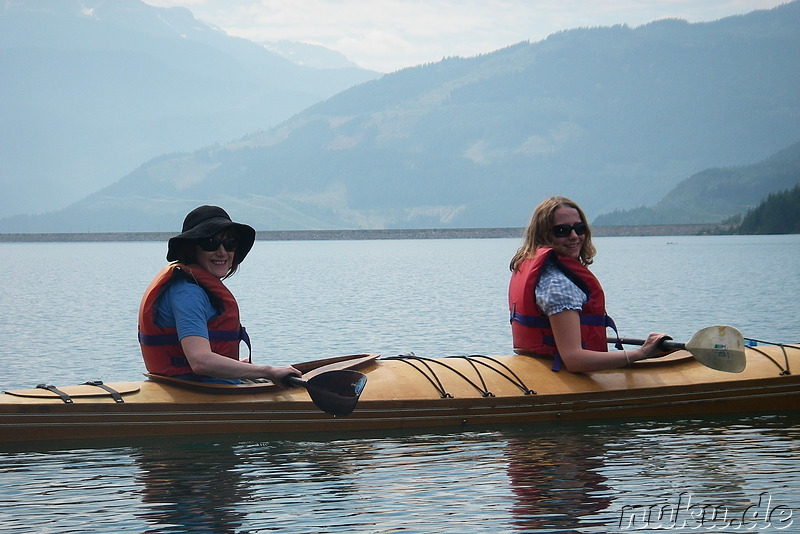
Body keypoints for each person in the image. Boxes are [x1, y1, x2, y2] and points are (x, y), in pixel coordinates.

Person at [138, 205, 301, 384]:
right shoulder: (188, 294)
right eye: (211, 243)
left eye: (230, 243)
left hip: (200, 387)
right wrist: (269, 371)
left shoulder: (194, 288)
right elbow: (200, 362)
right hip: (196, 394)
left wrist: (240, 368)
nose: (222, 252)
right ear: (192, 248)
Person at [508, 196, 669, 372]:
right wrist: (642, 353)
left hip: (537, 367)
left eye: (579, 228)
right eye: (562, 230)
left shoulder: (536, 269)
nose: (574, 236)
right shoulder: (557, 283)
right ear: (543, 234)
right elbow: (574, 359)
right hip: (560, 373)